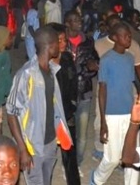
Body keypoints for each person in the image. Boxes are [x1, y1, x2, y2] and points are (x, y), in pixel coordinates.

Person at [6, 26, 72, 185]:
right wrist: (22, 149)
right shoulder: (26, 74)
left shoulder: (51, 70)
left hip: (50, 142)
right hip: (32, 145)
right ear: (50, 45)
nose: (61, 45)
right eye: (58, 42)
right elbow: (11, 112)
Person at [91, 22, 139, 185]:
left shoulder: (130, 58)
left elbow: (130, 86)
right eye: (126, 36)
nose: (129, 39)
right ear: (115, 38)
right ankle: (97, 179)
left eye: (130, 36)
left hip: (130, 114)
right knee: (112, 158)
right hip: (112, 114)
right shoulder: (106, 60)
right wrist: (103, 121)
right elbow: (102, 90)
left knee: (132, 154)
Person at [64, 10, 100, 167]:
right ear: (67, 23)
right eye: (74, 20)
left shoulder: (88, 41)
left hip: (84, 91)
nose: (79, 22)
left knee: (83, 133)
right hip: (65, 93)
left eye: (79, 19)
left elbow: (94, 61)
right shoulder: (60, 41)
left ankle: (77, 163)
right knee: (65, 132)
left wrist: (92, 67)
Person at [50, 23, 82, 185]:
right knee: (46, 155)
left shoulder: (68, 58)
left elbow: (73, 82)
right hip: (49, 115)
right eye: (59, 40)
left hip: (67, 112)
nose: (63, 44)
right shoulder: (44, 63)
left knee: (69, 151)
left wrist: (72, 104)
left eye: (64, 40)